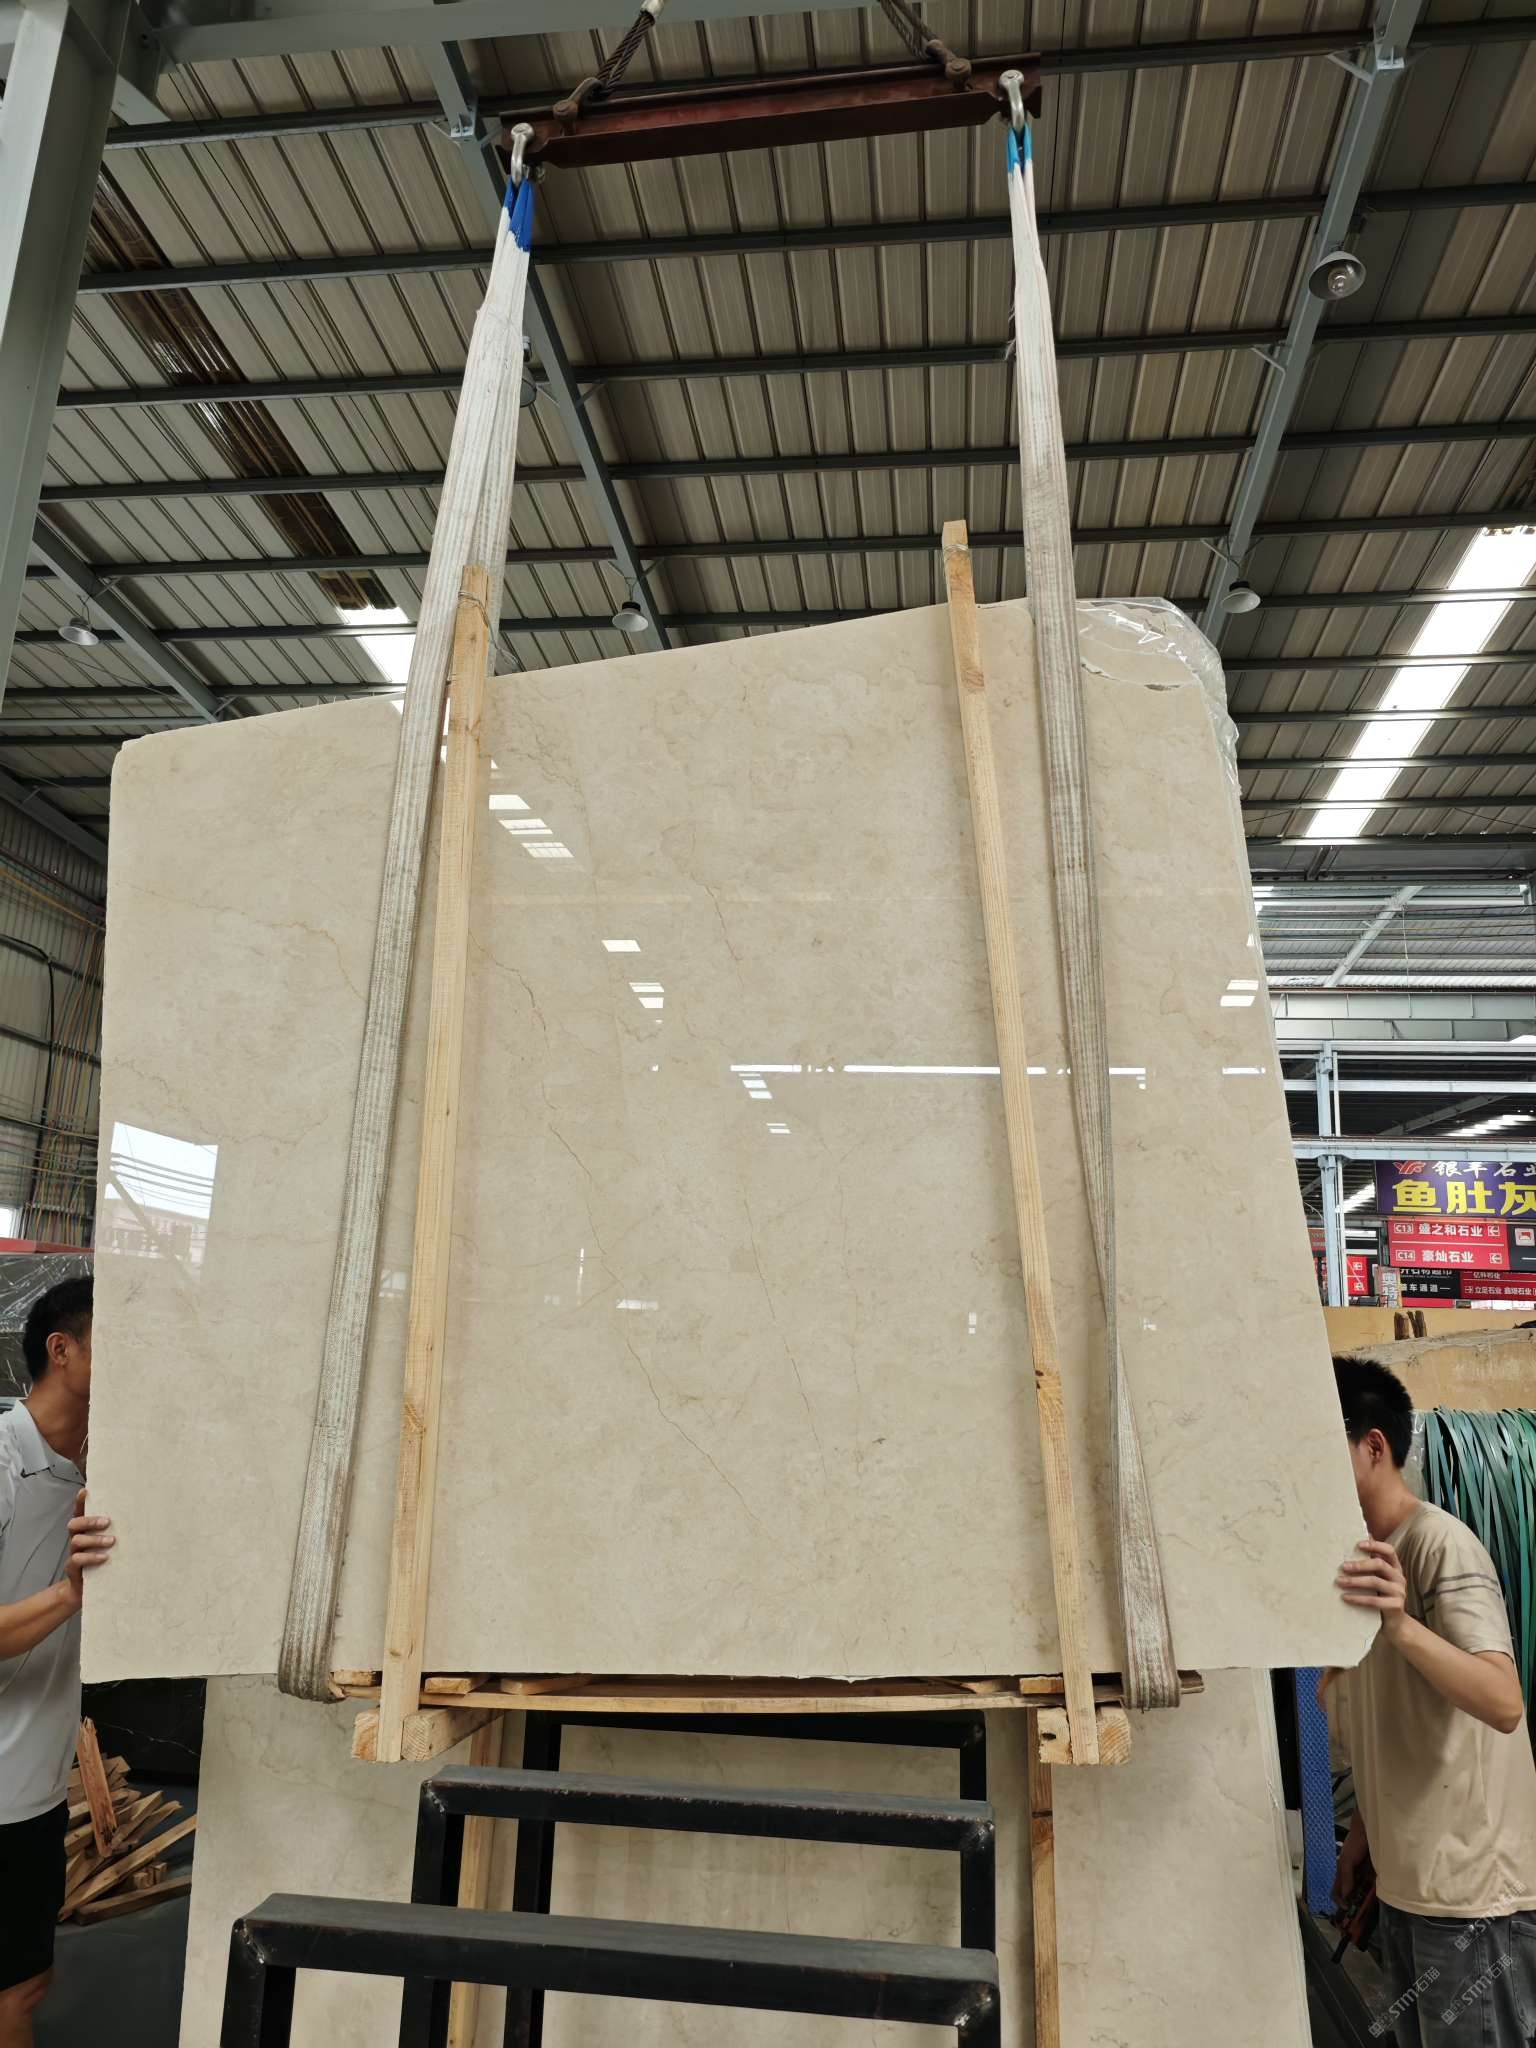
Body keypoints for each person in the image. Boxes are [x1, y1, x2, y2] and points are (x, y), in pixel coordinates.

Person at [1331, 1355, 1536, 2047]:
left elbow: (1502, 1701)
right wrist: (1360, 1839)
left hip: (1472, 1896)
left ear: (1374, 1445)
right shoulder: (1364, 1561)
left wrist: (1402, 1625)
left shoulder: (1439, 1545)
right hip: (1409, 1886)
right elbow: (1395, 1725)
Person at [0, 1276, 113, 2048]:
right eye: (116, 1342)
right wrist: (70, 1595)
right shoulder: (6, 1458)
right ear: (61, 1349)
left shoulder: (101, 1471)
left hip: (34, 1782)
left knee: (23, 1985)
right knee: (12, 1993)